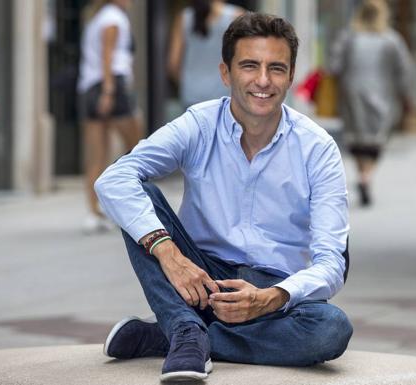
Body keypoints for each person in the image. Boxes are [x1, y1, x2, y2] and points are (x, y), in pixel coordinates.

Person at [95, 12, 352, 382]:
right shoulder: (199, 124)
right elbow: (114, 179)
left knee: (331, 328)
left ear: (291, 77)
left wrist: (272, 297)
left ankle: (174, 333)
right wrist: (168, 253)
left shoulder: (318, 149)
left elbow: (332, 264)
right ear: (226, 73)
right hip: (200, 277)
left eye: (276, 68)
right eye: (250, 66)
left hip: (274, 290)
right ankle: (185, 328)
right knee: (140, 198)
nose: (263, 81)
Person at [330, 0, 413, 207]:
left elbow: (334, 65)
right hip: (382, 94)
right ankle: (367, 176)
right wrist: (407, 95)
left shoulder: (348, 36)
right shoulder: (391, 39)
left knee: (357, 138)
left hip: (351, 92)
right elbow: (404, 69)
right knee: (377, 138)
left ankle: (362, 174)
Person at [78, 0, 144, 233]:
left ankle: (94, 211)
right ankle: (134, 205)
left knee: (97, 153)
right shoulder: (113, 18)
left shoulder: (97, 17)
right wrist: (108, 91)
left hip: (89, 85)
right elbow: (108, 55)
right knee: (137, 148)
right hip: (110, 85)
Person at [167, 0, 243, 108]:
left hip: (191, 95)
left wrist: (187, 83)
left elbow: (173, 63)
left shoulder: (184, 17)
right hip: (223, 94)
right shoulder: (235, 16)